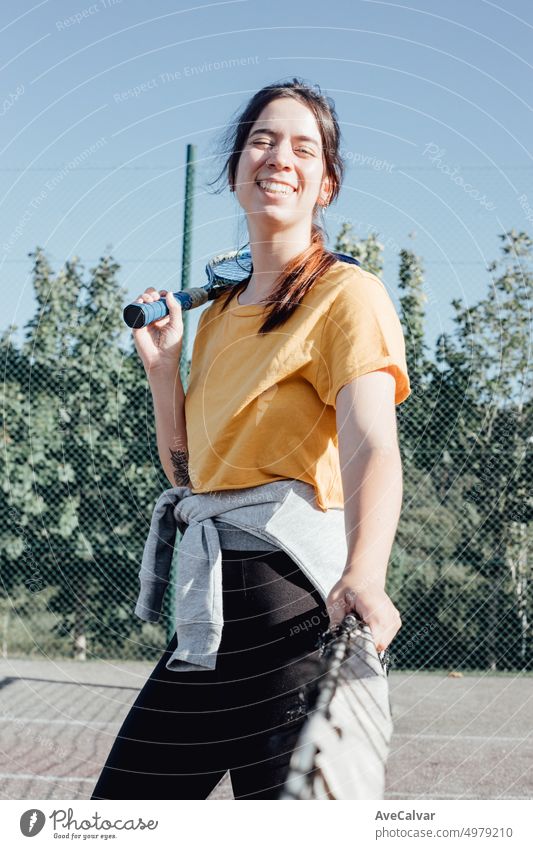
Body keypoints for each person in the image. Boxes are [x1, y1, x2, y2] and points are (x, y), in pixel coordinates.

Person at [91, 77, 411, 801]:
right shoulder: (220, 314)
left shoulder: (346, 295)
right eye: (262, 139)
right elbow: (190, 473)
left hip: (291, 612)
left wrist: (365, 571)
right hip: (206, 625)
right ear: (236, 167)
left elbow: (371, 446)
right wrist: (165, 369)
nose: (278, 157)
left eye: (303, 147)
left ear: (324, 184)